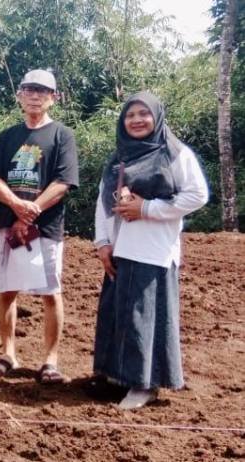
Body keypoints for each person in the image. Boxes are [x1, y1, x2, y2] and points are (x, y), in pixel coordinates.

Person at [92, 91, 208, 410]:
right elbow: (103, 202)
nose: (137, 120)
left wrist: (147, 208)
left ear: (157, 117)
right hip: (119, 248)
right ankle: (115, 378)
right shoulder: (119, 156)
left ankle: (144, 384)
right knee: (117, 315)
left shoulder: (174, 153)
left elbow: (197, 195)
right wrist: (102, 243)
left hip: (153, 251)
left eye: (144, 114)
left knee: (143, 318)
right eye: (130, 115)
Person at [0, 69, 79, 384]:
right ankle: (8, 353)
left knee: (51, 292)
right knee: (7, 290)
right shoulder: (7, 136)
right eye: (29, 90)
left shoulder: (62, 135)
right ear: (20, 95)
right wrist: (15, 204)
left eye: (42, 91)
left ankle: (50, 359)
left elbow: (63, 182)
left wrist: (33, 209)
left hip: (46, 227)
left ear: (53, 98)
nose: (35, 96)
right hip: (9, 225)